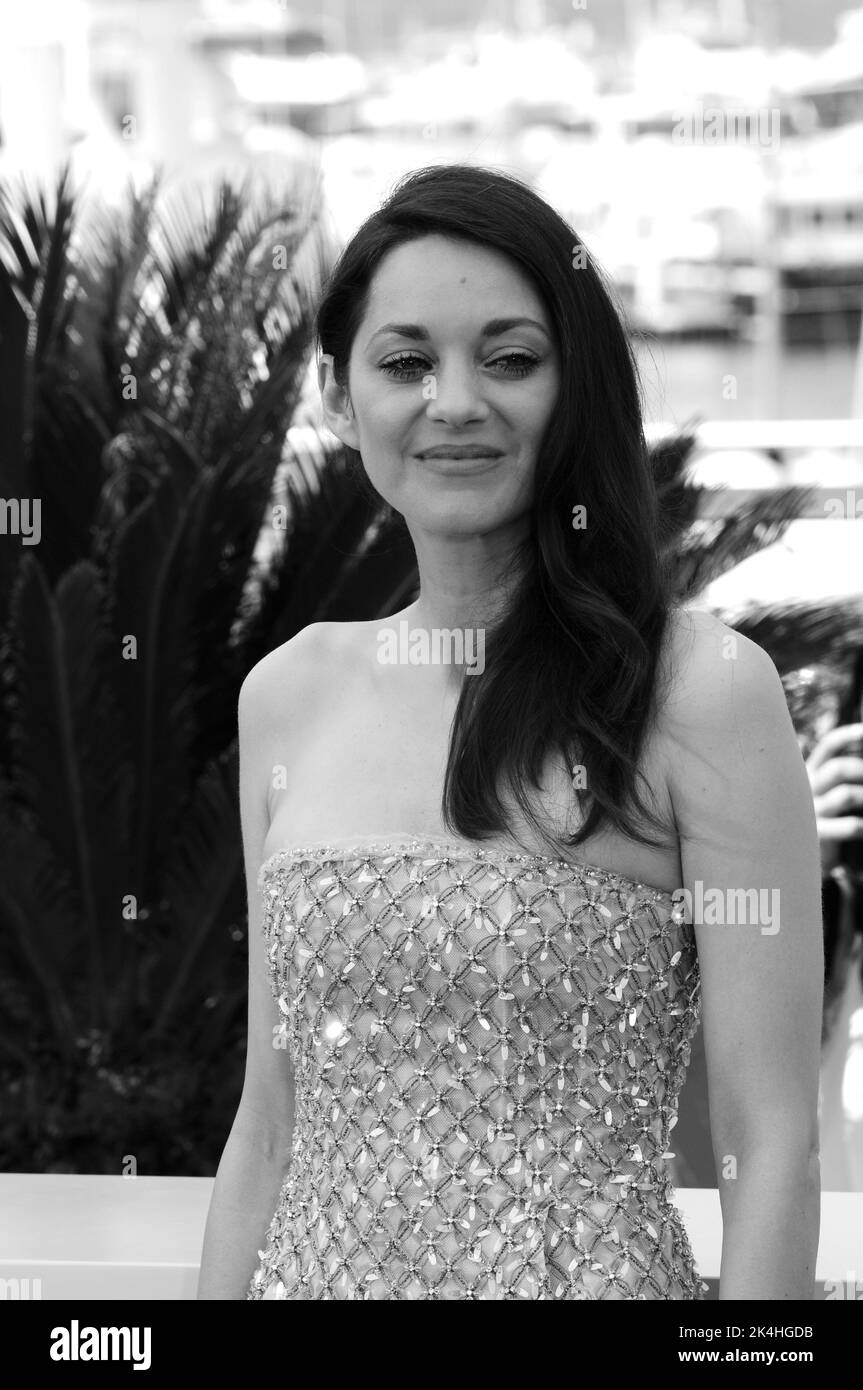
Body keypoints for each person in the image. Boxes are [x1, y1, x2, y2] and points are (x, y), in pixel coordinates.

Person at [197, 164, 823, 1300]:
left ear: (570, 384)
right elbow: (270, 1123)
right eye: (404, 363)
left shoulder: (703, 693)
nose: (454, 401)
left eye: (509, 358)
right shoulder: (288, 692)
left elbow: (769, 1145)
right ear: (341, 399)